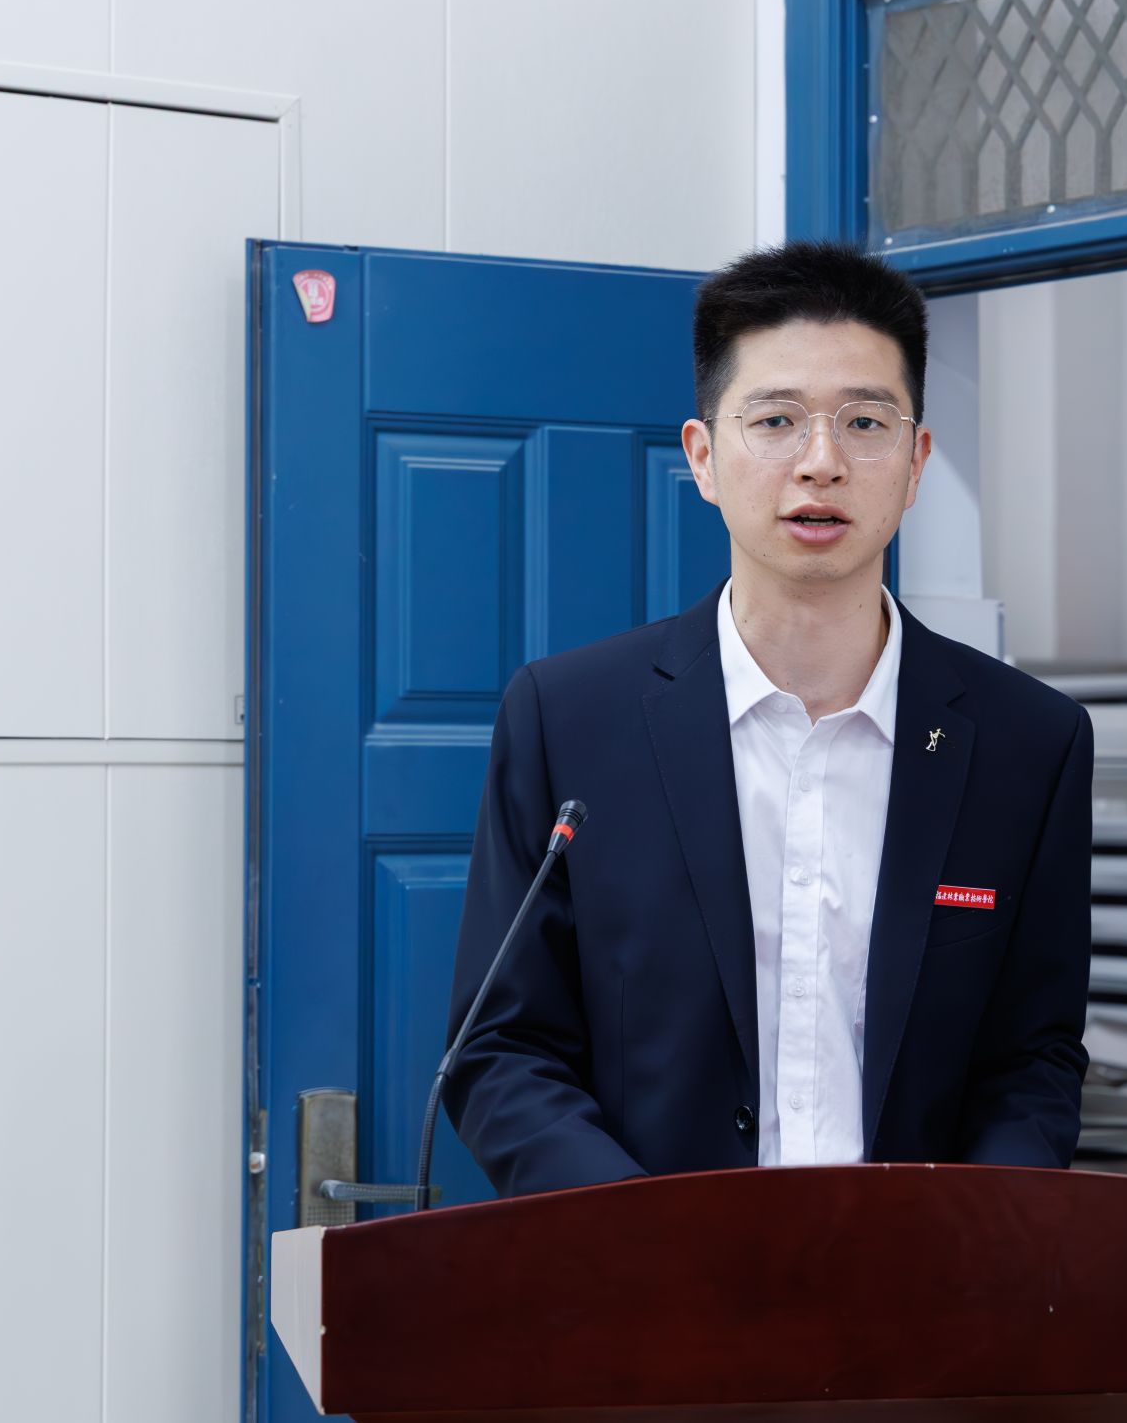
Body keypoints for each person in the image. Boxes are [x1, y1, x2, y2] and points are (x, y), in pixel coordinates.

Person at [444, 241, 1093, 1198]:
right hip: (648, 1269)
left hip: (922, 1274)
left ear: (916, 462)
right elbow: (500, 1049)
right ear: (704, 457)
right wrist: (643, 1242)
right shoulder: (568, 718)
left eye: (864, 422)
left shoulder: (1028, 743)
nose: (821, 463)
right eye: (777, 420)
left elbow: (1034, 1057)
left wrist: (968, 1238)